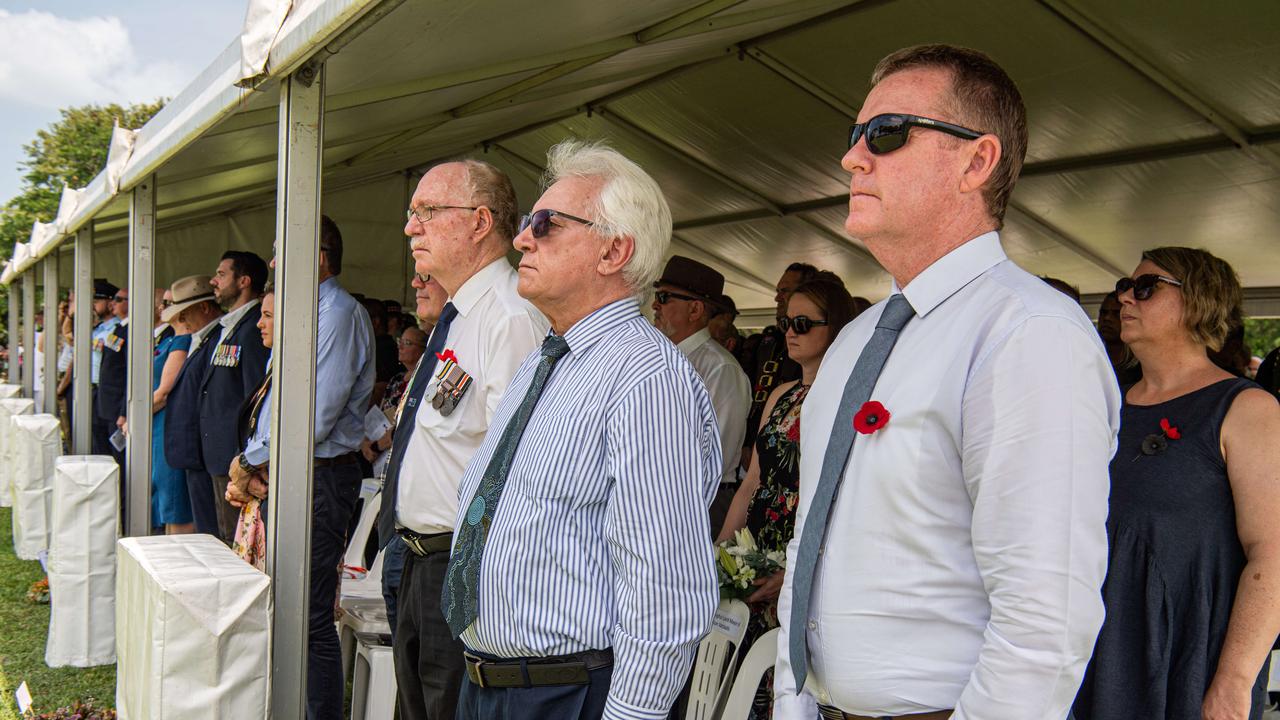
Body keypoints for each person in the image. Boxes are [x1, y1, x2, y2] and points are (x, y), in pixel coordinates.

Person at [774, 44, 1121, 720]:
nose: (853, 157)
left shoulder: (1027, 335)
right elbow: (810, 539)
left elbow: (1043, 617)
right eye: (855, 136)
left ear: (976, 162)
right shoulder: (852, 344)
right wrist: (793, 699)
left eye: (887, 133)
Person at [441, 140, 720, 720]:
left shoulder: (645, 377)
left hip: (568, 693)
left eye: (545, 224)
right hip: (494, 683)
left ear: (615, 250)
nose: (521, 239)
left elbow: (664, 583)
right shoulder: (549, 359)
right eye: (525, 223)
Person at [1074, 247, 1280, 720]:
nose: (1126, 298)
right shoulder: (1103, 401)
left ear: (1199, 301)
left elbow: (1273, 553)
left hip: (1186, 657)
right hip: (1092, 648)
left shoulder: (1245, 408)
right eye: (1122, 288)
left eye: (1144, 287)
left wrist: (1234, 681)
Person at [383, 159, 548, 720]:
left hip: (458, 569)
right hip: (416, 561)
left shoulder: (509, 316)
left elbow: (516, 471)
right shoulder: (459, 317)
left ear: (480, 222)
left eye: (427, 212)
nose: (411, 227)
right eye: (412, 213)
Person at [718, 272, 856, 717]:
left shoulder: (846, 398)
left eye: (802, 324)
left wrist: (799, 572)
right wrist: (721, 551)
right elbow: (752, 482)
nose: (789, 333)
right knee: (741, 684)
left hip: (801, 555)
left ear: (833, 327)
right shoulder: (782, 393)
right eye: (786, 323)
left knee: (787, 685)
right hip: (755, 548)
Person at [258, 215, 375, 720]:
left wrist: (252, 459)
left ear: (318, 256)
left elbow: (315, 416)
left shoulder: (339, 314)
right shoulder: (310, 311)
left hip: (320, 476)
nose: (273, 263)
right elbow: (277, 403)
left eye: (282, 251)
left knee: (307, 616)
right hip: (297, 473)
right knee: (289, 610)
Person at [652, 255, 750, 536]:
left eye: (665, 296)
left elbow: (718, 453)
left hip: (698, 501)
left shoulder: (720, 368)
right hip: (661, 498)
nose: (655, 304)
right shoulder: (660, 358)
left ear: (695, 309)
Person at [377, 271, 446, 647]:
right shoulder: (438, 342)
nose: (415, 285)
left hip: (436, 542)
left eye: (426, 277)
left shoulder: (502, 323)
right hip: (403, 531)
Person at [203, 250, 271, 542]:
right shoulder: (230, 327)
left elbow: (255, 400)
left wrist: (247, 462)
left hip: (238, 457)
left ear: (243, 281)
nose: (213, 281)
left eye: (221, 274)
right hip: (220, 455)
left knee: (236, 543)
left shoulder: (253, 329)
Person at [160, 276, 225, 537]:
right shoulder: (201, 338)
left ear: (205, 308)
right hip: (194, 452)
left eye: (184, 313)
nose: (181, 321)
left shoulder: (216, 338)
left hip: (205, 450)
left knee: (212, 530)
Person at [227, 286, 276, 571]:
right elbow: (257, 426)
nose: (259, 323)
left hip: (271, 486)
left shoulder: (297, 365)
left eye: (268, 315)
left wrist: (245, 472)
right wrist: (242, 478)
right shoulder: (273, 359)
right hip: (256, 481)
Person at [150, 287, 194, 535]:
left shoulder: (182, 341)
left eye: (168, 302)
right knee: (164, 497)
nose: (161, 307)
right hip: (158, 426)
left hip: (166, 424)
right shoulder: (168, 339)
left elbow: (164, 391)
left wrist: (137, 417)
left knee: (174, 501)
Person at [97, 287, 129, 474]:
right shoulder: (119, 328)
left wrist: (123, 411)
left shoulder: (130, 331)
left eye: (118, 299)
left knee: (120, 462)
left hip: (117, 407)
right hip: (107, 405)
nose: (112, 303)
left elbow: (128, 373)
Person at [1098, 290, 1143, 386]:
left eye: (1116, 313)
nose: (1107, 318)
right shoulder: (1091, 359)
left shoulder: (1142, 368)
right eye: (1103, 312)